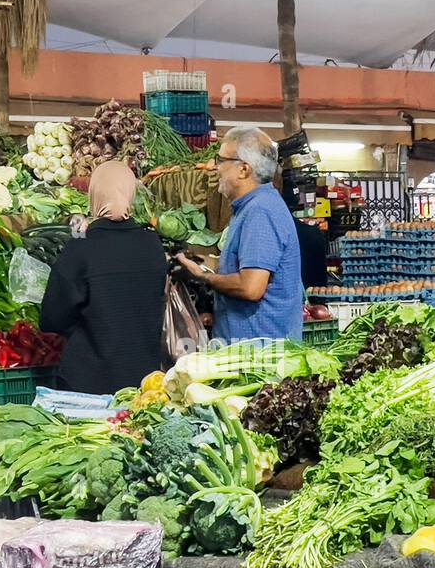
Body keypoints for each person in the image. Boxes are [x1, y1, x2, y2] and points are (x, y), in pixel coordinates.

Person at [40, 161, 168, 395]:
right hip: (143, 383)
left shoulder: (81, 248)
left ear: (94, 194)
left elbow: (52, 320)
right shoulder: (152, 245)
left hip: (87, 384)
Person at [175, 126, 303, 342]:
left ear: (244, 169)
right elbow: (246, 267)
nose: (214, 168)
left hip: (259, 356)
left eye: (221, 161)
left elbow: (251, 287)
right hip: (249, 350)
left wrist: (204, 276)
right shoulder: (250, 207)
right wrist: (207, 262)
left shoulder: (260, 211)